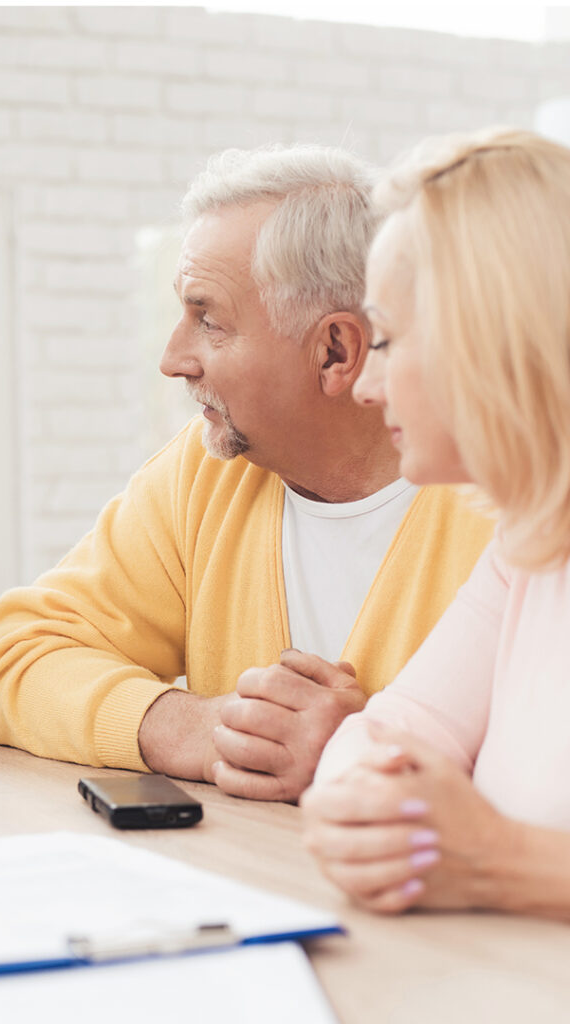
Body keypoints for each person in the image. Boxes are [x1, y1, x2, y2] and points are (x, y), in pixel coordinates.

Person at [0, 145, 493, 802]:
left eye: (206, 318)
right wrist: (201, 728)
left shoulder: (510, 502)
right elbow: (14, 659)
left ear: (335, 350)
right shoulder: (207, 473)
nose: (172, 359)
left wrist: (356, 752)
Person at [302, 128, 570, 918]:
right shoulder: (529, 550)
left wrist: (505, 861)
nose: (364, 385)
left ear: (489, 339)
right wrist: (361, 807)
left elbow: (487, 851)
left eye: (385, 338)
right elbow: (388, 730)